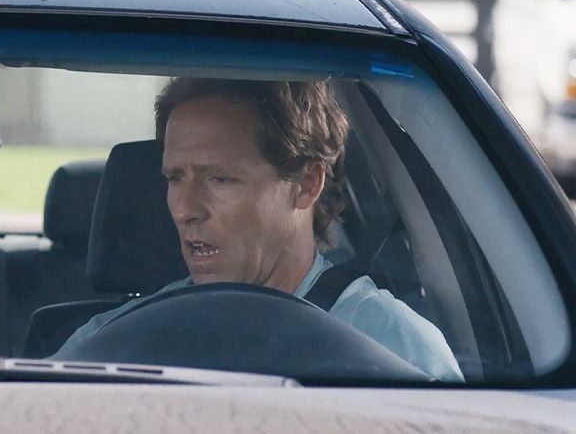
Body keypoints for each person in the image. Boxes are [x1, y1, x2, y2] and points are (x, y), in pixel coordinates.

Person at [52, 78, 463, 382]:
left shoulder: (396, 349)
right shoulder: (107, 344)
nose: (184, 209)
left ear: (306, 185)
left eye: (220, 179)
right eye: (175, 177)